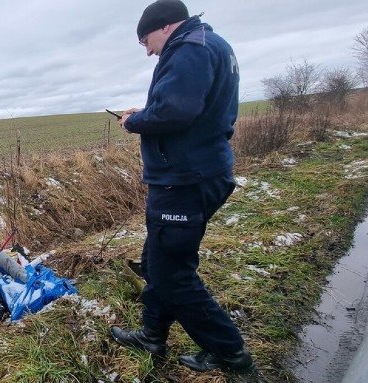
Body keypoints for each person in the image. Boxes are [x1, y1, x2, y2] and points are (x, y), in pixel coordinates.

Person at [109, 0, 255, 374]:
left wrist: (134, 120)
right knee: (157, 260)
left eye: (146, 41)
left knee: (172, 274)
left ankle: (229, 351)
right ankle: (152, 333)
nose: (148, 51)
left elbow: (174, 111)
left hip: (185, 179)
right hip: (198, 172)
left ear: (165, 26)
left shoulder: (190, 48)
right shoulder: (209, 43)